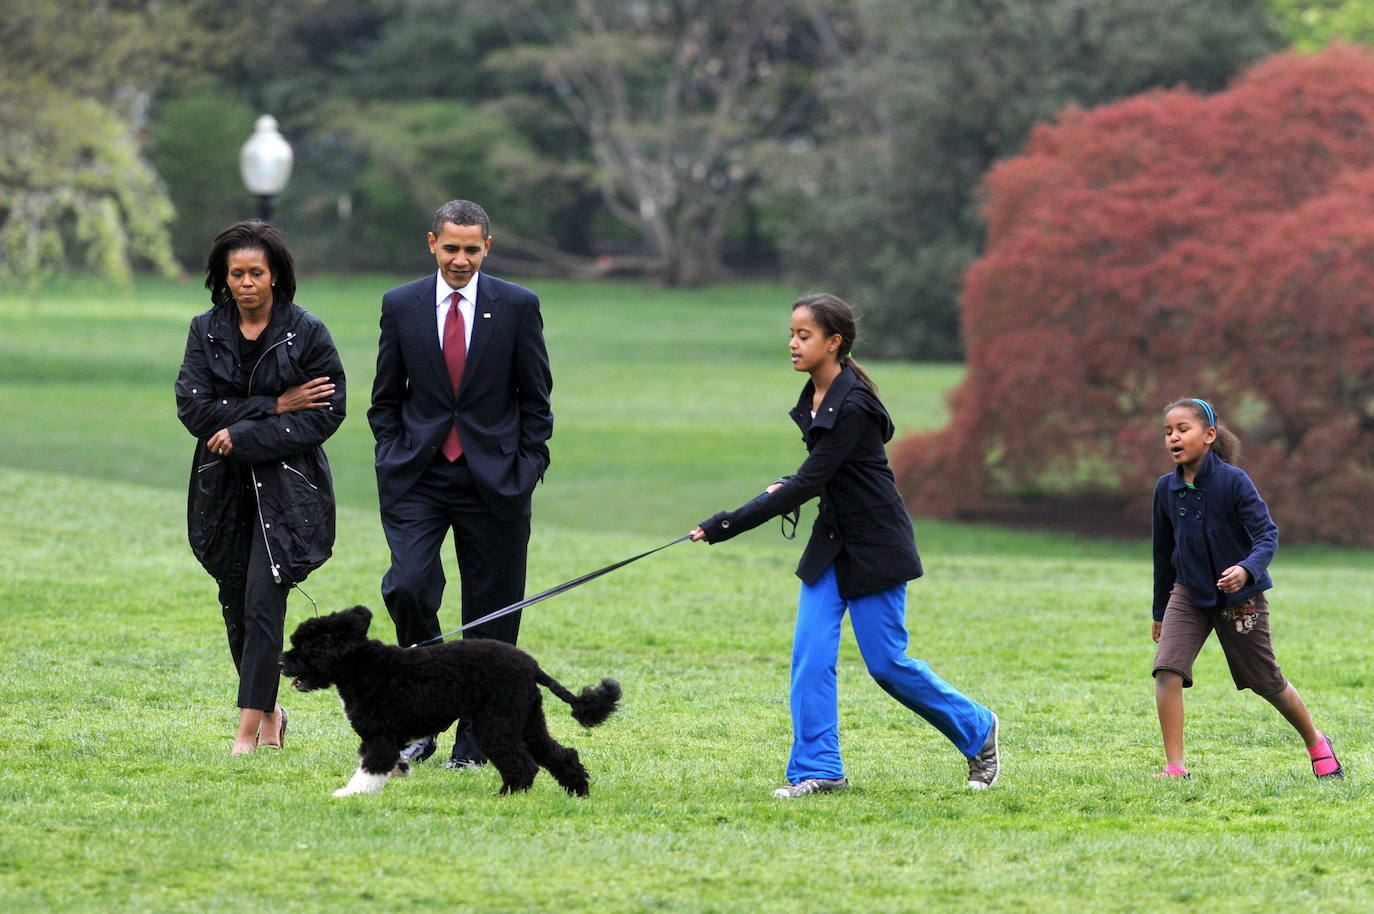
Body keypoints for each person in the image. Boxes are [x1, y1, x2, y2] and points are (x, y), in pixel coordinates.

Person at [691, 293, 1000, 798]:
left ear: (834, 343)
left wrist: (728, 523)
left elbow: (814, 479)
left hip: (876, 545)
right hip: (833, 542)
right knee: (810, 657)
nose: (792, 344)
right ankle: (819, 770)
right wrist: (786, 485)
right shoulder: (816, 397)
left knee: (887, 664)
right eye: (791, 334)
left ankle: (977, 727)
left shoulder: (853, 404)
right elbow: (822, 474)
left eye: (804, 335)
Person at [368, 199, 553, 769]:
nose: (461, 259)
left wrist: (524, 471)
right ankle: (422, 715)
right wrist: (393, 455)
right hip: (418, 476)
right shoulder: (400, 305)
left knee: (492, 615)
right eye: (451, 248)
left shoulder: (519, 306)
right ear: (432, 244)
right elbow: (385, 399)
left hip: (496, 482)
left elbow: (536, 402)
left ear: (487, 248)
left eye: (472, 249)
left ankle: (472, 744)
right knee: (409, 586)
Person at [175, 220, 346, 756]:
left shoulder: (307, 332)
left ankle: (247, 734)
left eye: (256, 273)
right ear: (222, 278)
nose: (246, 282)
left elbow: (326, 412)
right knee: (235, 602)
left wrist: (243, 434)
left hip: (288, 493)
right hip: (220, 491)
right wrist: (275, 404)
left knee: (263, 603)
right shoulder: (205, 330)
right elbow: (194, 407)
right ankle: (271, 712)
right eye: (236, 274)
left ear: (275, 276)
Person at [1150, 397, 1343, 779]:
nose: (1173, 437)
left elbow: (1267, 536)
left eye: (1182, 429)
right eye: (1168, 432)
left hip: (1239, 599)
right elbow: (1162, 553)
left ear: (1208, 435)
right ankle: (1175, 768)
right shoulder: (1165, 490)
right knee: (1167, 670)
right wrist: (1159, 611)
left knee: (1265, 681)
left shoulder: (1233, 482)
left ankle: (1316, 741)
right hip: (1188, 593)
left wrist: (1245, 569)